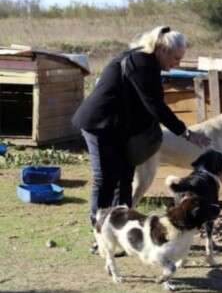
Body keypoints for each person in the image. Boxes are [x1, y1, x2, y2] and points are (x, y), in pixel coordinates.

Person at [72, 26, 211, 251]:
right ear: (162, 49)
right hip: (99, 124)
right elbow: (155, 105)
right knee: (105, 179)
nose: (177, 63)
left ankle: (123, 231)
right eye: (176, 58)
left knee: (124, 178)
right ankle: (100, 235)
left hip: (121, 127)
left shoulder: (148, 62)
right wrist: (185, 133)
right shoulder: (141, 62)